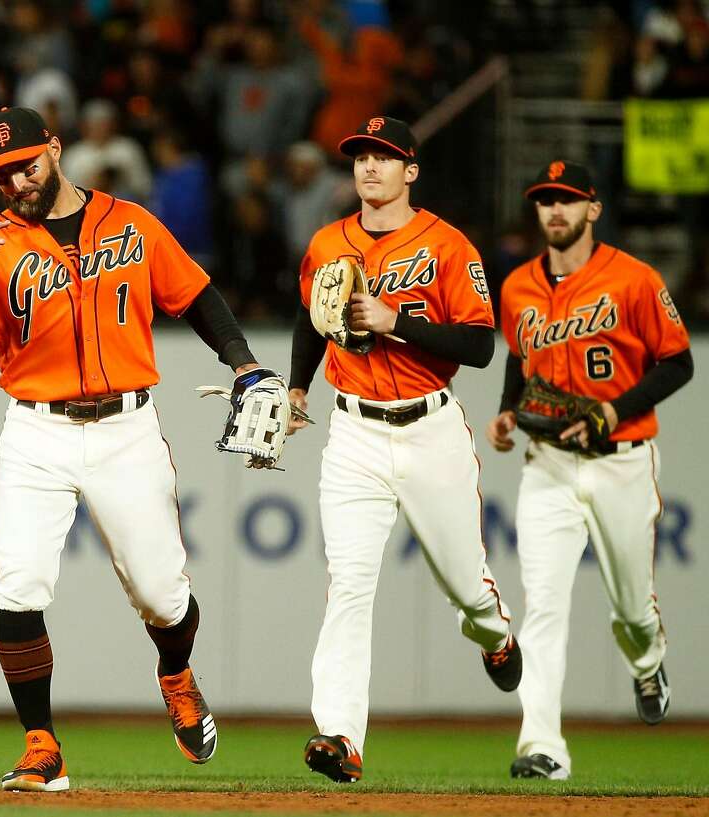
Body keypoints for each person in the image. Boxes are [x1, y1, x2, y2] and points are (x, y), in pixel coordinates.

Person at [0, 106, 275, 792]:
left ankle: (177, 674)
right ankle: (43, 747)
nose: (16, 181)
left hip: (127, 428)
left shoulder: (130, 222)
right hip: (37, 428)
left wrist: (244, 362)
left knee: (163, 597)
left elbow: (197, 295)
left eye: (27, 164)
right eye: (2, 172)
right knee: (19, 588)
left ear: (57, 150)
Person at [288, 116, 519, 783]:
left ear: (410, 170)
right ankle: (339, 733)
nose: (370, 167)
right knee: (350, 584)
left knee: (464, 585)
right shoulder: (328, 241)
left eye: (384, 157)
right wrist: (299, 390)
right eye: (361, 156)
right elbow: (314, 319)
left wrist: (397, 322)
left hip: (430, 428)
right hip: (354, 430)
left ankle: (495, 635)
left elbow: (479, 346)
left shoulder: (447, 246)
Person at [487, 161, 693, 781]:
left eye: (568, 200)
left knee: (632, 610)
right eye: (546, 200)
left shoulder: (634, 279)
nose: (555, 211)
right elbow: (520, 363)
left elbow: (678, 363)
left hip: (621, 462)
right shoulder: (519, 285)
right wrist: (504, 413)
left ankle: (648, 658)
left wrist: (613, 410)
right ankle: (542, 747)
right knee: (543, 607)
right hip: (546, 463)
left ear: (592, 210)